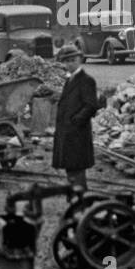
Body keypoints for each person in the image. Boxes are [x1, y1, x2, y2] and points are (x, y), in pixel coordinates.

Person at [52, 43, 98, 190]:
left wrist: (75, 122)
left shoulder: (86, 80)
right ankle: (75, 198)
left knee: (77, 169)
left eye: (73, 60)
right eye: (67, 61)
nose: (70, 63)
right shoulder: (69, 80)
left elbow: (91, 106)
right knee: (70, 168)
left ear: (79, 59)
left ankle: (81, 200)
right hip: (67, 133)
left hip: (77, 134)